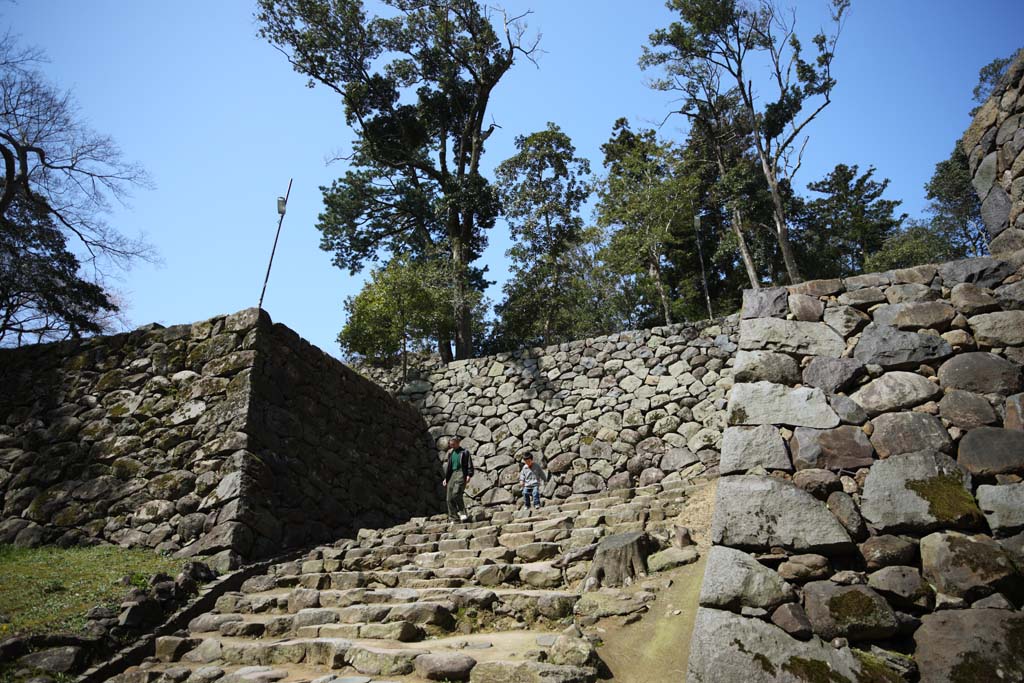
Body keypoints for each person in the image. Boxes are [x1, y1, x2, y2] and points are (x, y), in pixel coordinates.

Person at [443, 436, 473, 522]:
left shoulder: (465, 452)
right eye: (450, 444)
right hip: (452, 474)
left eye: (453, 444)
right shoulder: (451, 453)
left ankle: (462, 512)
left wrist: (469, 474)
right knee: (449, 498)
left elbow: (469, 463)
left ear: (457, 443)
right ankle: (454, 518)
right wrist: (446, 479)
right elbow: (449, 467)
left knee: (456, 493)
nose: (451, 445)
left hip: (461, 473)